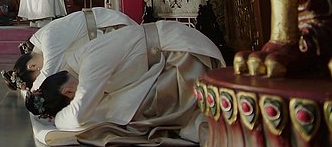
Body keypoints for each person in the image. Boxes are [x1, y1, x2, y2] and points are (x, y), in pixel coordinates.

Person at [26, 21, 225, 145]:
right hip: (162, 64)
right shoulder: (79, 62)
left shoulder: (90, 63)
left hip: (181, 56)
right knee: (129, 109)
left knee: (144, 110)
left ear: (69, 91)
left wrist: (59, 120)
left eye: (72, 99)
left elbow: (79, 115)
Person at [4, 7, 137, 91]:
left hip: (115, 27)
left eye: (37, 74)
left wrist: (32, 94)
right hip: (106, 37)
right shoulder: (42, 41)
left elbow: (48, 73)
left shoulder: (49, 39)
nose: (41, 71)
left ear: (32, 66)